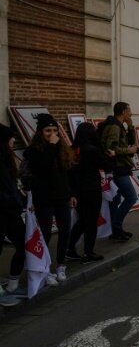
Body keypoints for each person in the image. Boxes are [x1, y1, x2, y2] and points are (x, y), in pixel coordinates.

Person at [24, 114, 76, 284]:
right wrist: (52, 146)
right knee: (45, 234)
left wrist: (71, 194)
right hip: (44, 198)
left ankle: (61, 265)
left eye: (54, 130)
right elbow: (44, 164)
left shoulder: (62, 149)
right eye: (48, 130)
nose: (52, 134)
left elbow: (67, 173)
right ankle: (44, 269)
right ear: (40, 132)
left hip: (61, 197)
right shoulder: (32, 151)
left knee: (65, 231)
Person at [67, 122, 115, 263]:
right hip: (91, 189)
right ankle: (88, 253)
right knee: (91, 222)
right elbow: (107, 166)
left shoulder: (72, 149)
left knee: (82, 220)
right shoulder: (92, 149)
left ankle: (70, 249)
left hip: (76, 191)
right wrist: (111, 156)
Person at [99, 102, 138, 240]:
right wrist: (130, 150)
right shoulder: (114, 127)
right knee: (131, 197)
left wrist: (131, 126)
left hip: (119, 166)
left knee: (115, 200)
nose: (131, 112)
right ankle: (116, 226)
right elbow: (111, 149)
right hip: (117, 168)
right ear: (123, 112)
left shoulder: (120, 125)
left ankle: (115, 230)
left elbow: (130, 143)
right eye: (129, 110)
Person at [0, 124, 24, 305]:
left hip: (11, 211)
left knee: (22, 243)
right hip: (4, 210)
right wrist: (12, 200)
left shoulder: (6, 158)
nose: (14, 140)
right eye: (11, 137)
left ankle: (13, 281)